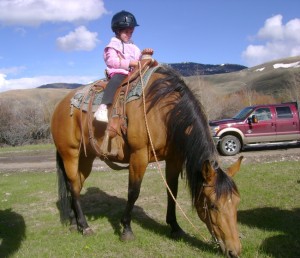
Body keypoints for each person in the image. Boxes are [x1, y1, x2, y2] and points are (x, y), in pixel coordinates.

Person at [94, 10, 153, 122]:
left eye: (131, 32)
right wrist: (129, 63)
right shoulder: (112, 45)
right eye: (126, 32)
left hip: (133, 73)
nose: (129, 34)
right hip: (118, 72)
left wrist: (145, 53)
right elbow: (111, 61)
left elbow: (139, 59)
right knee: (116, 80)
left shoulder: (133, 47)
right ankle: (103, 107)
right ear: (117, 30)